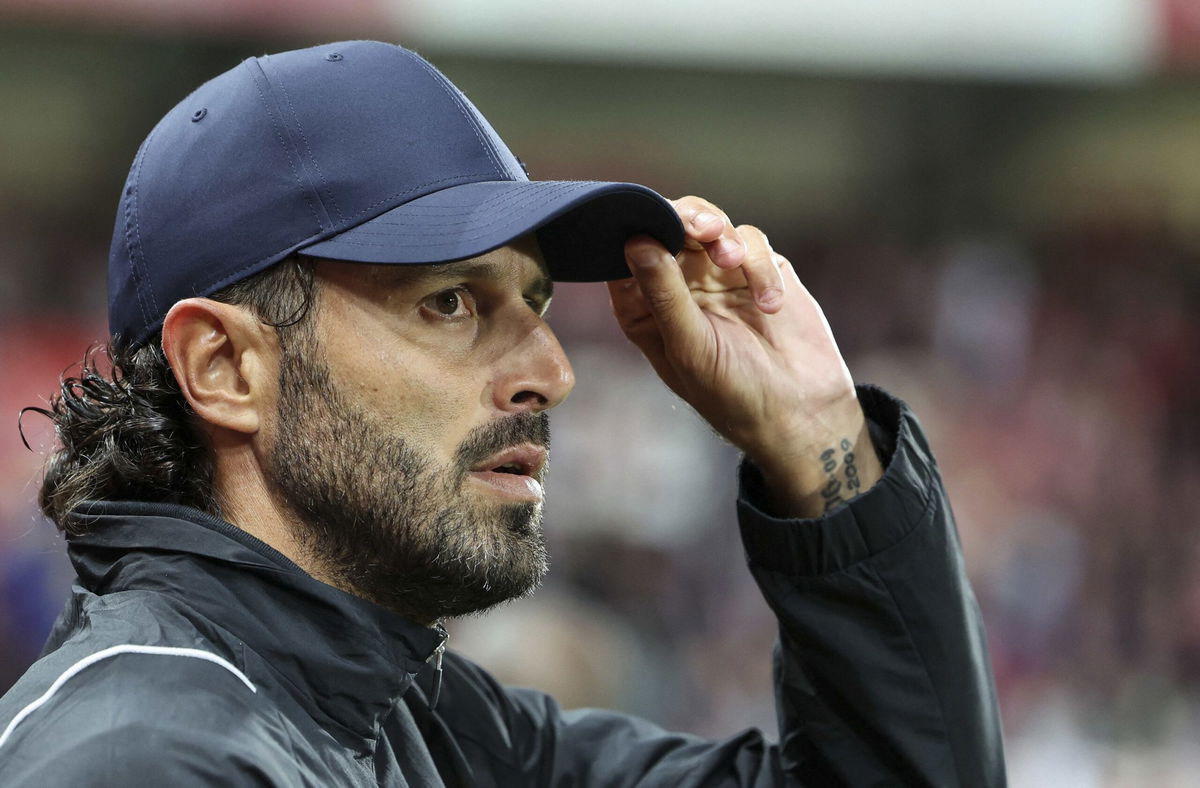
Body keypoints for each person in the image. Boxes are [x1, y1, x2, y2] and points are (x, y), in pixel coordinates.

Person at [0, 40, 1004, 786]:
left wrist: (820, 440)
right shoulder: (141, 758)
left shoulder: (419, 724)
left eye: (536, 303)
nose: (553, 372)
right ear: (224, 366)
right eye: (450, 301)